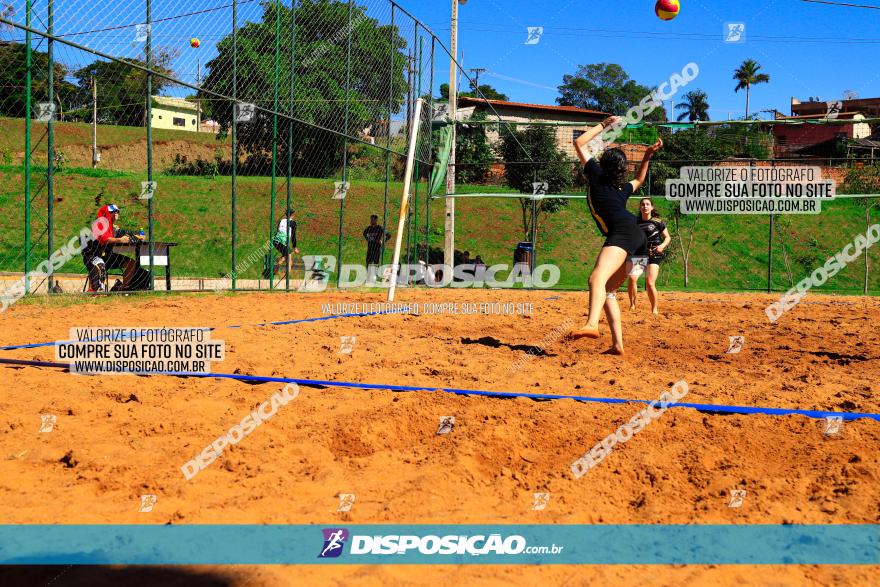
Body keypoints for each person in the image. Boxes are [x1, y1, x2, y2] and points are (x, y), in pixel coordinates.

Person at [570, 116, 663, 355]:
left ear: (602, 163)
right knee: (609, 290)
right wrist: (647, 155)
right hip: (639, 238)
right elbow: (640, 179)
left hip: (623, 233)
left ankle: (592, 324)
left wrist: (603, 125)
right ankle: (617, 345)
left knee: (596, 279)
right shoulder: (622, 189)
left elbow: (579, 143)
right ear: (621, 170)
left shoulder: (595, 175)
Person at [627, 198, 671, 314]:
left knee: (650, 282)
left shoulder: (658, 221)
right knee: (632, 279)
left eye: (647, 204)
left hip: (654, 254)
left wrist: (662, 246)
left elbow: (667, 237)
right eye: (643, 204)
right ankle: (632, 305)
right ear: (640, 207)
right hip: (640, 254)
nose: (645, 206)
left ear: (652, 207)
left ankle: (654, 309)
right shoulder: (635, 222)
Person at [82, 204, 139, 292]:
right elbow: (106, 239)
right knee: (100, 265)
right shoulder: (100, 224)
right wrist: (120, 240)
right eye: (113, 211)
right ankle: (94, 292)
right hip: (93, 256)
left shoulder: (111, 227)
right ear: (107, 213)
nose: (116, 213)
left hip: (107, 256)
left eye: (117, 211)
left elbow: (123, 232)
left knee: (131, 263)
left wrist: (138, 235)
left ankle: (123, 289)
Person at [272, 208, 300, 276]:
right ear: (292, 215)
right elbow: (293, 236)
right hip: (282, 242)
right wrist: (295, 247)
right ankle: (287, 275)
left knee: (285, 255)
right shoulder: (292, 223)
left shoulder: (281, 221)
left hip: (275, 241)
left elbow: (278, 230)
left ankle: (275, 268)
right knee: (289, 255)